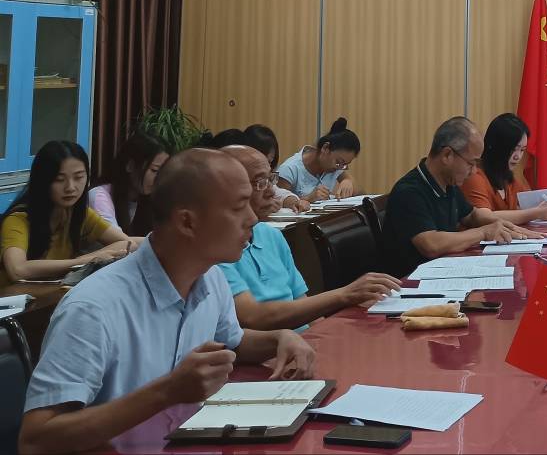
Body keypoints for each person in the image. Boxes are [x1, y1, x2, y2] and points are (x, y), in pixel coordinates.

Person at [18, 149, 316, 455]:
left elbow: (232, 345)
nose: (252, 218)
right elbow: (36, 440)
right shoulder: (93, 308)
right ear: (187, 222)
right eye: (239, 207)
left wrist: (278, 339)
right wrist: (167, 391)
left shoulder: (210, 277)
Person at [217, 145, 400, 330]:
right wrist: (345, 295)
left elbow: (303, 306)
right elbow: (252, 317)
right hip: (273, 346)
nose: (272, 191)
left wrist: (325, 336)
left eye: (271, 179)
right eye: (260, 182)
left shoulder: (271, 235)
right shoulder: (219, 249)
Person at [382, 116, 547, 276]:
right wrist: (484, 232)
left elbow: (472, 216)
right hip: (412, 284)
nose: (474, 171)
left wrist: (506, 227)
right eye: (471, 163)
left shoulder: (448, 184)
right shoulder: (409, 191)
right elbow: (431, 244)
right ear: (447, 155)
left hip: (444, 271)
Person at [1, 141, 135, 288]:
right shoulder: (18, 219)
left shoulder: (80, 214)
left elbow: (128, 243)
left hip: (50, 295)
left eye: (78, 177)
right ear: (42, 181)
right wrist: (84, 261)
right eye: (59, 179)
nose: (70, 187)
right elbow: (17, 270)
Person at [462, 113, 547, 222]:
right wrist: (537, 213)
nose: (518, 156)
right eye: (513, 149)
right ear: (496, 146)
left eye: (522, 150)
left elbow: (528, 206)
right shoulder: (474, 175)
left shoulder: (510, 179)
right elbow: (484, 217)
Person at [86, 134, 169, 235]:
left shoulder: (147, 200)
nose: (159, 178)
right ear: (130, 166)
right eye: (154, 170)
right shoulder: (99, 196)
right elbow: (116, 240)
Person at [276, 118, 359, 202]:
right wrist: (308, 198)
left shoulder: (334, 167)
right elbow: (279, 202)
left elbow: (353, 185)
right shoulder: (289, 169)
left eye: (344, 164)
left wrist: (348, 181)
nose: (340, 168)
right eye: (339, 162)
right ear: (325, 148)